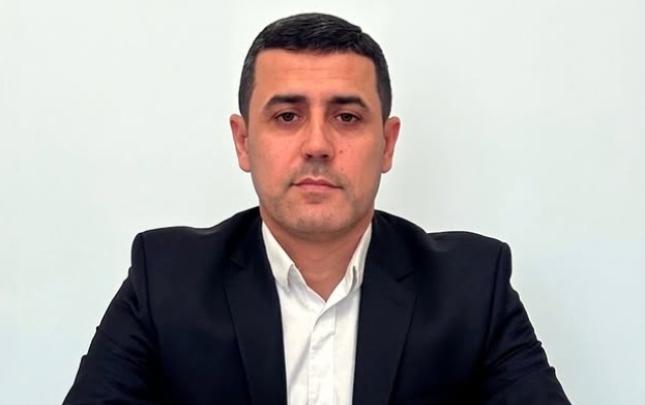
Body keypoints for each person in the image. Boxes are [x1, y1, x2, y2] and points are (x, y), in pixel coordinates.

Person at [65, 12, 570, 405]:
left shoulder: (471, 288)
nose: (317, 145)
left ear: (388, 144)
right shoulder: (167, 280)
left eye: (346, 117)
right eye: (287, 116)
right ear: (243, 142)